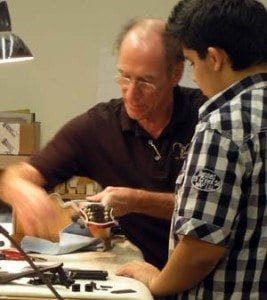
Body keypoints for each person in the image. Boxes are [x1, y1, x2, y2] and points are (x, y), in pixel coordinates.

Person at [0, 18, 205, 270]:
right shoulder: (100, 126)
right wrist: (24, 191)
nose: (131, 94)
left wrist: (136, 200)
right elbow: (16, 177)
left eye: (145, 81)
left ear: (176, 73)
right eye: (124, 77)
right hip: (144, 273)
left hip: (205, 273)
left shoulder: (207, 118)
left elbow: (211, 207)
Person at [116, 0, 267, 299]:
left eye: (192, 63)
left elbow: (201, 247)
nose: (194, 77)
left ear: (214, 58)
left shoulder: (223, 126)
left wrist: (155, 281)